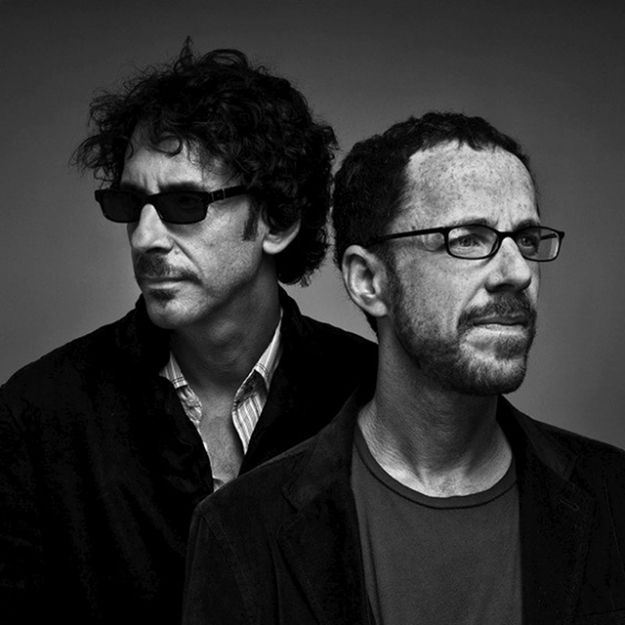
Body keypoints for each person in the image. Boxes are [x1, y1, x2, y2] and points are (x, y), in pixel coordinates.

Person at [183, 112, 625, 624]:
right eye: (468, 238)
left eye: (525, 240)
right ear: (369, 281)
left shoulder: (615, 496)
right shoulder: (242, 531)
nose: (518, 272)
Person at [0, 41, 376, 623]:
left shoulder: (370, 394)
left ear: (276, 220)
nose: (145, 237)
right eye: (130, 204)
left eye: (184, 203)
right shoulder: (38, 413)